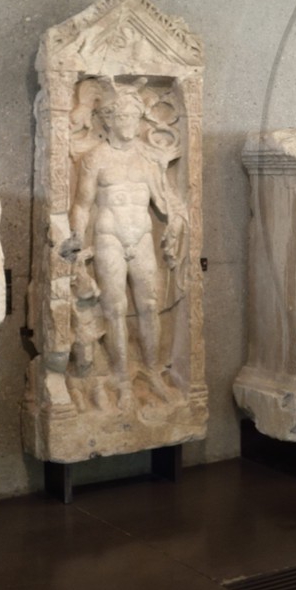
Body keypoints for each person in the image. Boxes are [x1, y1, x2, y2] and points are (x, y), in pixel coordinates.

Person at [59, 81, 187, 407]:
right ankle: (121, 377)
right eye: (123, 117)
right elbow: (83, 205)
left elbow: (163, 202)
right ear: (109, 120)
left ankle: (153, 371)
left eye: (134, 117)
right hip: (109, 237)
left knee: (149, 305)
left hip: (141, 237)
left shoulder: (147, 159)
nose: (130, 124)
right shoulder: (95, 159)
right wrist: (74, 241)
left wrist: (176, 218)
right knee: (115, 309)